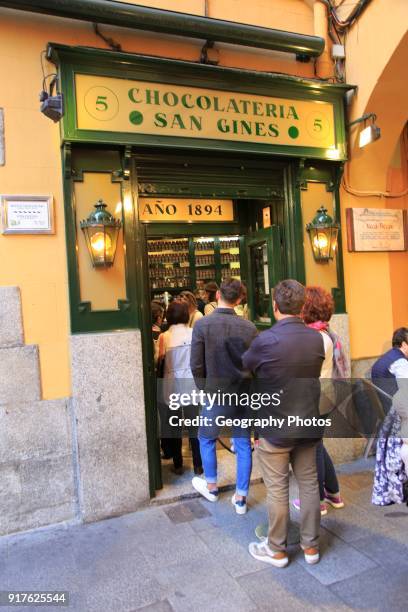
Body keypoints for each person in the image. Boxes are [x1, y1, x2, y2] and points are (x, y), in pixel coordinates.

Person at [243, 279, 325, 568]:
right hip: (307, 423)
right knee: (309, 484)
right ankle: (311, 546)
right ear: (302, 307)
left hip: (275, 426)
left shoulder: (266, 340)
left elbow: (246, 367)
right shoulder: (316, 339)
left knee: (277, 489)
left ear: (274, 306)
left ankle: (277, 549)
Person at [190, 278, 257, 514]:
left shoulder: (203, 325)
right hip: (242, 393)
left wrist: (203, 388)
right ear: (239, 299)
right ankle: (241, 498)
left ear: (218, 295)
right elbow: (255, 365)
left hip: (214, 393)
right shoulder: (249, 327)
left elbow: (196, 365)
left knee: (206, 438)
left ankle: (211, 486)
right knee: (242, 443)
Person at [292, 286, 345, 516]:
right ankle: (333, 491)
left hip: (313, 401)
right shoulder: (326, 333)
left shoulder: (313, 338)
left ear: (307, 308)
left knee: (310, 449)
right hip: (324, 397)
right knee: (317, 444)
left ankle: (318, 500)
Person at [157, 300, 202, 475]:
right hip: (191, 384)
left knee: (174, 426)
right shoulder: (194, 334)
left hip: (172, 386)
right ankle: (198, 464)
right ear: (186, 315)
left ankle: (177, 464)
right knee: (194, 426)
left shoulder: (164, 337)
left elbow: (160, 359)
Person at [371, 327, 408, 414]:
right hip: (397, 412)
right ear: (404, 344)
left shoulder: (388, 357)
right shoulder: (400, 362)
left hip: (386, 406)